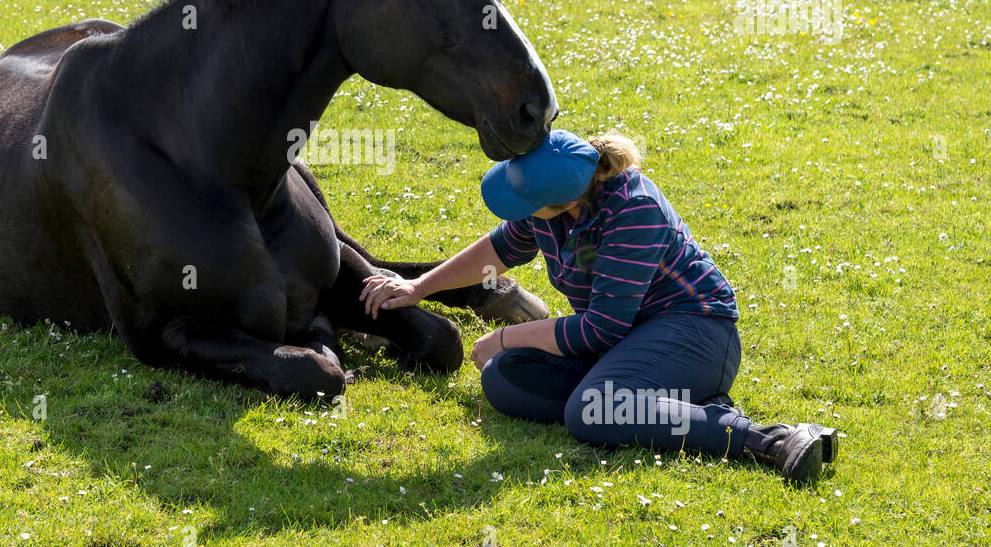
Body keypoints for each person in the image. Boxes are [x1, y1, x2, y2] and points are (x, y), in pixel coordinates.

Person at [359, 129, 839, 483]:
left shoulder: (634, 211)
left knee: (593, 412)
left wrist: (506, 334)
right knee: (504, 378)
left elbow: (598, 332)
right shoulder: (548, 209)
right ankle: (666, 404)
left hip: (696, 333)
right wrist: (418, 286)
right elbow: (497, 251)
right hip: (626, 338)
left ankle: (772, 439)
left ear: (562, 203)